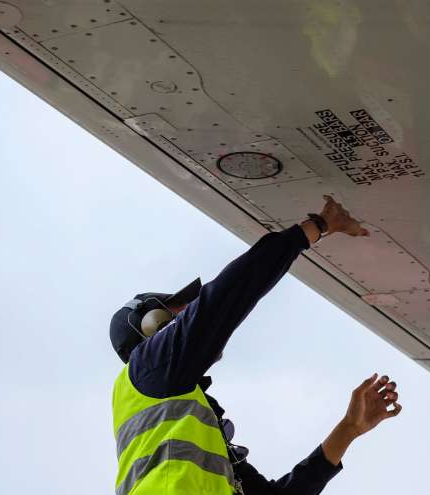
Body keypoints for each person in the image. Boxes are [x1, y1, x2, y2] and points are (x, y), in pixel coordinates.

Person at [109, 195, 402, 495]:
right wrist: (317, 227)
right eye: (180, 309)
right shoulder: (148, 367)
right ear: (153, 326)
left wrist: (348, 429)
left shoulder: (184, 419)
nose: (190, 312)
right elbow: (228, 295)